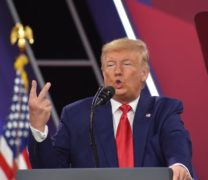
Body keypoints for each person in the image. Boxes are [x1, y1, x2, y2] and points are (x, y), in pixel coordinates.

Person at [28, 38, 193, 180]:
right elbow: (51, 170)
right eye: (111, 64)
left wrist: (179, 164)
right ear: (103, 72)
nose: (117, 71)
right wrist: (38, 127)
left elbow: (176, 142)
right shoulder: (78, 114)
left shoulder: (163, 110)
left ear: (144, 73)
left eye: (126, 64)